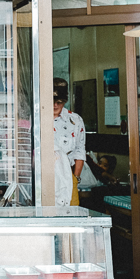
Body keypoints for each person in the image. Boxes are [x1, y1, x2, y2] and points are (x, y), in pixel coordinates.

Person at [52, 78, 86, 207]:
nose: (55, 105)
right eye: (53, 101)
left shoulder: (75, 120)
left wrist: (75, 178)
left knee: (70, 212)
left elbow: (79, 150)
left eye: (59, 102)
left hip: (68, 175)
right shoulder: (38, 118)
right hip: (46, 175)